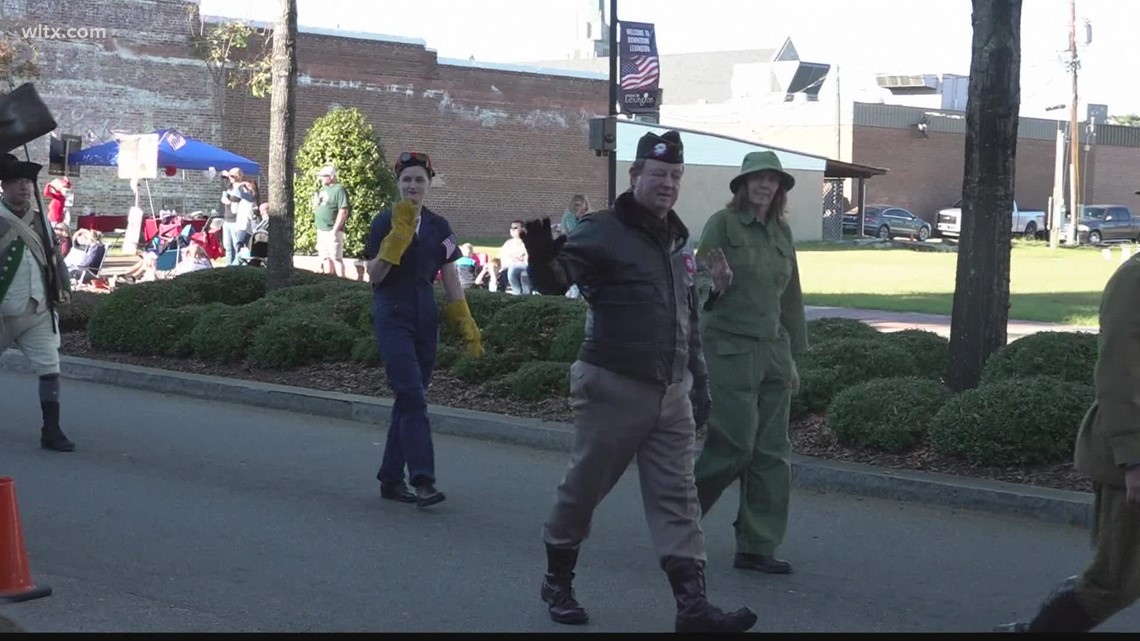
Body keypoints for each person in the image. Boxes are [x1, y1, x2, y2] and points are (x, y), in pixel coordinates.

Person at [520, 130, 758, 633]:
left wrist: (698, 383)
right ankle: (557, 581)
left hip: (670, 392)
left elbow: (686, 315)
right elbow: (557, 279)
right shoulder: (603, 229)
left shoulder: (678, 238)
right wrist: (541, 257)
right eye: (658, 174)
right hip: (612, 383)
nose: (667, 183)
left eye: (675, 175)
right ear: (636, 177)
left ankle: (692, 608)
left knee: (679, 499)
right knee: (584, 488)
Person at [994, 251, 1140, 633]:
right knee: (1113, 582)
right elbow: (1117, 375)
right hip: (1132, 451)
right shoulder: (1135, 279)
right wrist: (1134, 458)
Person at [691, 150, 808, 576]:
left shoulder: (781, 231)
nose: (764, 185)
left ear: (778, 188)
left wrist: (792, 356)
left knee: (772, 453)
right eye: (757, 178)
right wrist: (717, 285)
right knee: (733, 445)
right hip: (729, 350)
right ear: (742, 185)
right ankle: (678, 524)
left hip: (774, 352)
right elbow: (699, 279)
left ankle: (758, 545)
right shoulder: (722, 225)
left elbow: (790, 298)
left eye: (772, 180)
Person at [362, 151, 483, 508]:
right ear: (398, 184)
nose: (412, 186)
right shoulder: (384, 220)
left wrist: (464, 319)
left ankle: (389, 478)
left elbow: (449, 277)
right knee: (412, 394)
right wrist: (394, 242)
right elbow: (374, 277)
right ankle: (423, 479)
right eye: (406, 180)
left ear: (429, 184)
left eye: (419, 180)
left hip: (424, 314)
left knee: (409, 397)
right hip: (392, 310)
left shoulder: (439, 228)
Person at [0, 153, 76, 452]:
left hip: (39, 308)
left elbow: (53, 259)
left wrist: (61, 289)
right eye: (17, 182)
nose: (24, 188)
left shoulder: (40, 218)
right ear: (3, 186)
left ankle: (52, 429)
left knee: (50, 367)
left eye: (27, 182)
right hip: (3, 311)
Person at [314, 165, 350, 278]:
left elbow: (343, 210)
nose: (321, 179)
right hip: (321, 229)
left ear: (331, 176)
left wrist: (335, 230)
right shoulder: (322, 189)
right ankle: (329, 281)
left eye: (323, 176)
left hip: (332, 230)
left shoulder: (339, 189)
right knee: (325, 257)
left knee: (336, 258)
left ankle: (340, 282)